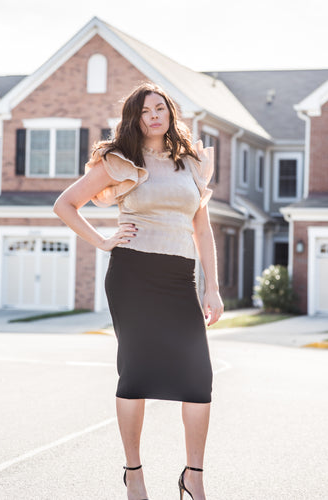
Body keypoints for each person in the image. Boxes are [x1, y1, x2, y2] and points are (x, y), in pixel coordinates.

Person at [53, 82, 224, 500]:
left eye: (160, 107)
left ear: (170, 113)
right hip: (133, 276)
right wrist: (104, 241)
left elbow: (201, 228)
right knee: (136, 375)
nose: (153, 114)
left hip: (179, 277)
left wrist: (212, 289)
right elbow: (65, 204)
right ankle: (134, 474)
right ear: (135, 117)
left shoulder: (192, 163)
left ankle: (194, 476)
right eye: (145, 109)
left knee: (198, 379)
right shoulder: (121, 162)